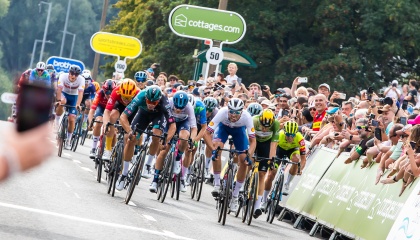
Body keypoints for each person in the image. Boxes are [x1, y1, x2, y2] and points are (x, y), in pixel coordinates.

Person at [117, 86, 176, 191]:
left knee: (156, 135)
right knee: (132, 139)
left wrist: (166, 140)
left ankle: (148, 165)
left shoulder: (164, 102)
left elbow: (172, 125)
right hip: (143, 114)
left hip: (158, 116)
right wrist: (129, 131)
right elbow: (123, 116)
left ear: (158, 100)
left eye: (154, 103)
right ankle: (124, 174)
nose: (150, 104)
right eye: (149, 101)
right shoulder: (140, 96)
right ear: (146, 98)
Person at [204, 98, 256, 213]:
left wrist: (249, 154)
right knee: (217, 147)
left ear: (241, 112)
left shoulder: (247, 117)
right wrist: (213, 150)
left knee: (244, 161)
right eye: (231, 111)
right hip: (223, 129)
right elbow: (206, 133)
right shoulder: (222, 112)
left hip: (239, 132)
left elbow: (253, 141)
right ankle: (217, 184)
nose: (233, 115)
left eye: (237, 112)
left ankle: (235, 196)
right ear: (228, 109)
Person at [149, 91, 197, 193]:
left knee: (184, 137)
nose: (178, 110)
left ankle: (177, 159)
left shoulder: (189, 107)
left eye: (181, 108)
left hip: (183, 123)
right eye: (177, 107)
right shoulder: (169, 102)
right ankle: (155, 180)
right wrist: (164, 136)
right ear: (173, 103)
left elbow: (194, 128)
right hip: (169, 123)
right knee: (164, 149)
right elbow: (161, 119)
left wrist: (192, 141)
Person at [102, 79, 140, 160]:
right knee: (112, 116)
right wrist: (106, 125)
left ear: (133, 95)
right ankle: (108, 149)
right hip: (120, 105)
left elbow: (141, 114)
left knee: (128, 135)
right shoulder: (116, 91)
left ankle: (126, 157)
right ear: (120, 93)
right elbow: (107, 111)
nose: (126, 100)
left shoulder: (138, 93)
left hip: (132, 108)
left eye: (128, 98)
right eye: (124, 97)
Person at [251, 109, 280, 218]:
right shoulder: (254, 120)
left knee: (262, 173)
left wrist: (271, 160)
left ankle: (257, 206)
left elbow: (273, 145)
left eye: (267, 127)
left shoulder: (276, 124)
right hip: (254, 141)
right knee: (248, 163)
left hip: (266, 143)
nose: (264, 129)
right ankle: (241, 187)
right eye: (263, 126)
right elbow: (250, 140)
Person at [55, 65, 84, 149]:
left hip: (74, 97)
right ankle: (57, 120)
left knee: (72, 119)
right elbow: (59, 90)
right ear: (69, 73)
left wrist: (78, 104)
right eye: (72, 73)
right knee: (62, 102)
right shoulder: (63, 76)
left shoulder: (81, 79)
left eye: (76, 74)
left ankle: (68, 140)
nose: (73, 76)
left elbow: (81, 93)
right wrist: (58, 100)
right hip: (64, 94)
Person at [275, 121, 307, 195]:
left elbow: (303, 158)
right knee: (271, 173)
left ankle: (287, 183)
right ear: (284, 132)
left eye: (292, 135)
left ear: (296, 133)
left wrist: (300, 169)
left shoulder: (300, 138)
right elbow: (272, 150)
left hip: (292, 150)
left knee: (296, 160)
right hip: (280, 150)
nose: (290, 137)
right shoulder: (280, 135)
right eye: (288, 134)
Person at [87, 80, 116, 158]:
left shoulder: (116, 94)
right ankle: (93, 148)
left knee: (114, 130)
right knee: (98, 122)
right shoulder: (100, 93)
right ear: (104, 90)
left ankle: (111, 151)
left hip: (111, 110)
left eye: (111, 93)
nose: (109, 95)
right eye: (107, 93)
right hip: (101, 108)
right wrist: (90, 123)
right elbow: (92, 110)